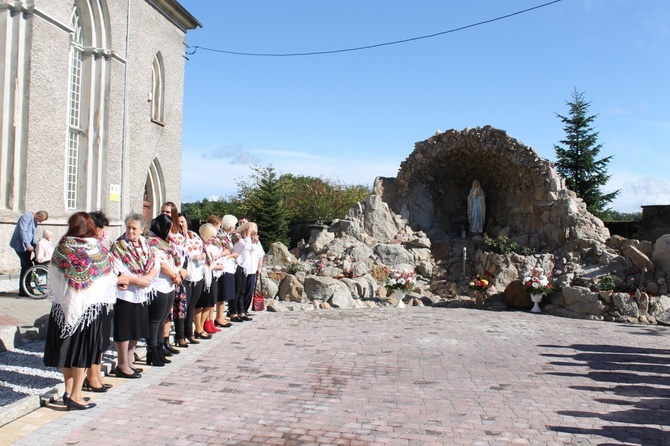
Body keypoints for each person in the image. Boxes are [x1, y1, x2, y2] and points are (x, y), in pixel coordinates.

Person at [43, 212, 120, 411]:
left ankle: (68, 390)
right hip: (89, 310)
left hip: (63, 306)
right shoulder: (98, 249)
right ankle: (76, 395)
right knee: (82, 353)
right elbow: (108, 278)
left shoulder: (61, 247)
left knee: (66, 350)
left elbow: (52, 274)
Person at [110, 212, 157, 377]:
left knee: (136, 329)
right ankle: (122, 364)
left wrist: (148, 278)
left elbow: (154, 264)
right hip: (126, 294)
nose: (131, 231)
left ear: (142, 229)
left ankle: (130, 361)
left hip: (142, 293)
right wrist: (138, 281)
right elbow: (118, 270)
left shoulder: (145, 244)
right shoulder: (119, 246)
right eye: (128, 227)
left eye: (134, 228)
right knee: (124, 330)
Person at [83, 211, 114, 392]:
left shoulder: (100, 247)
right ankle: (91, 376)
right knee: (93, 340)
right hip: (92, 300)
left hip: (104, 299)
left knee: (101, 339)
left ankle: (97, 373)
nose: (104, 233)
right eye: (103, 229)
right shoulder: (87, 247)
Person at [146, 214, 181, 366]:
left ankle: (159, 348)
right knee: (155, 321)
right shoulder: (152, 242)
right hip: (158, 284)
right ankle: (152, 350)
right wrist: (174, 275)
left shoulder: (166, 242)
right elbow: (160, 263)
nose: (169, 231)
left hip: (169, 285)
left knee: (162, 319)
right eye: (167, 228)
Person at [160, 202, 186, 357]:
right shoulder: (159, 232)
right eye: (163, 211)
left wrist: (184, 270)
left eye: (168, 212)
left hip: (179, 275)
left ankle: (167, 340)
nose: (165, 214)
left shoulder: (179, 234)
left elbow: (185, 254)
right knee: (164, 312)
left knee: (173, 310)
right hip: (167, 276)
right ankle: (161, 342)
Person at [175, 213, 205, 347]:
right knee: (183, 307)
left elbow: (203, 248)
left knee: (192, 306)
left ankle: (190, 333)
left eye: (183, 222)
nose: (181, 224)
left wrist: (203, 254)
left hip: (197, 274)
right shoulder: (176, 237)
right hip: (185, 276)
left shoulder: (194, 235)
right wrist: (193, 256)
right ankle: (180, 335)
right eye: (179, 222)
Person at [9, 210, 48, 296]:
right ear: (39, 216)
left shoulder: (34, 222)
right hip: (20, 246)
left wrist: (36, 246)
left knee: (25, 267)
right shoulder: (26, 217)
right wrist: (27, 245)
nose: (41, 222)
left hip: (27, 247)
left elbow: (33, 236)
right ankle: (25, 289)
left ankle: (24, 290)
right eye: (41, 220)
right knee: (28, 266)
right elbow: (22, 232)